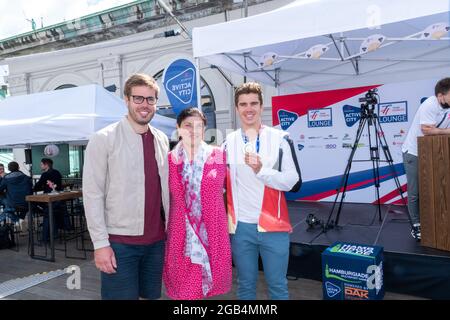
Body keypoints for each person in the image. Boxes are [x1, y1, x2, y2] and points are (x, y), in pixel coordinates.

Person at [83, 73, 170, 300]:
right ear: (127, 100)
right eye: (138, 98)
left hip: (157, 242)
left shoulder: (161, 139)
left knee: (151, 297)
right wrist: (100, 244)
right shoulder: (103, 139)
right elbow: (92, 194)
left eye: (150, 99)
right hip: (120, 243)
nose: (144, 105)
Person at [224, 82, 301, 300]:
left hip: (273, 227)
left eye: (253, 103)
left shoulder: (280, 138)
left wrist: (261, 171)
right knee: (245, 286)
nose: (249, 109)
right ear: (237, 108)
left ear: (261, 106)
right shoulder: (229, 142)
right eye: (243, 104)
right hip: (241, 229)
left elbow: (294, 182)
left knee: (277, 287)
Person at [163, 107, 232, 300]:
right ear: (178, 128)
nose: (193, 130)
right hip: (181, 235)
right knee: (184, 293)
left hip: (212, 232)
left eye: (199, 126)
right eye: (188, 125)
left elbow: (230, 190)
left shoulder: (218, 155)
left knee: (208, 290)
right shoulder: (169, 159)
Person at [402, 77, 450, 241]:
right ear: (440, 95)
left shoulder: (447, 107)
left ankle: (433, 220)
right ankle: (416, 225)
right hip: (414, 153)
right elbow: (427, 130)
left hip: (432, 153)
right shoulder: (431, 104)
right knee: (415, 192)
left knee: (432, 189)